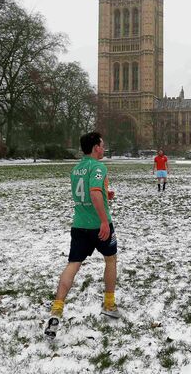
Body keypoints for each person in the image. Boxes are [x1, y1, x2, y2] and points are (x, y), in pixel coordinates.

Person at [45, 131, 117, 339]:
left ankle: (56, 311)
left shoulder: (76, 169)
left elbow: (89, 192)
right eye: (102, 145)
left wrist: (106, 194)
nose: (104, 149)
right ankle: (109, 304)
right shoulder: (98, 167)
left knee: (73, 265)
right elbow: (94, 192)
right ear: (95, 147)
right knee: (110, 260)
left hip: (79, 225)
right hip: (99, 225)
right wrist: (104, 220)